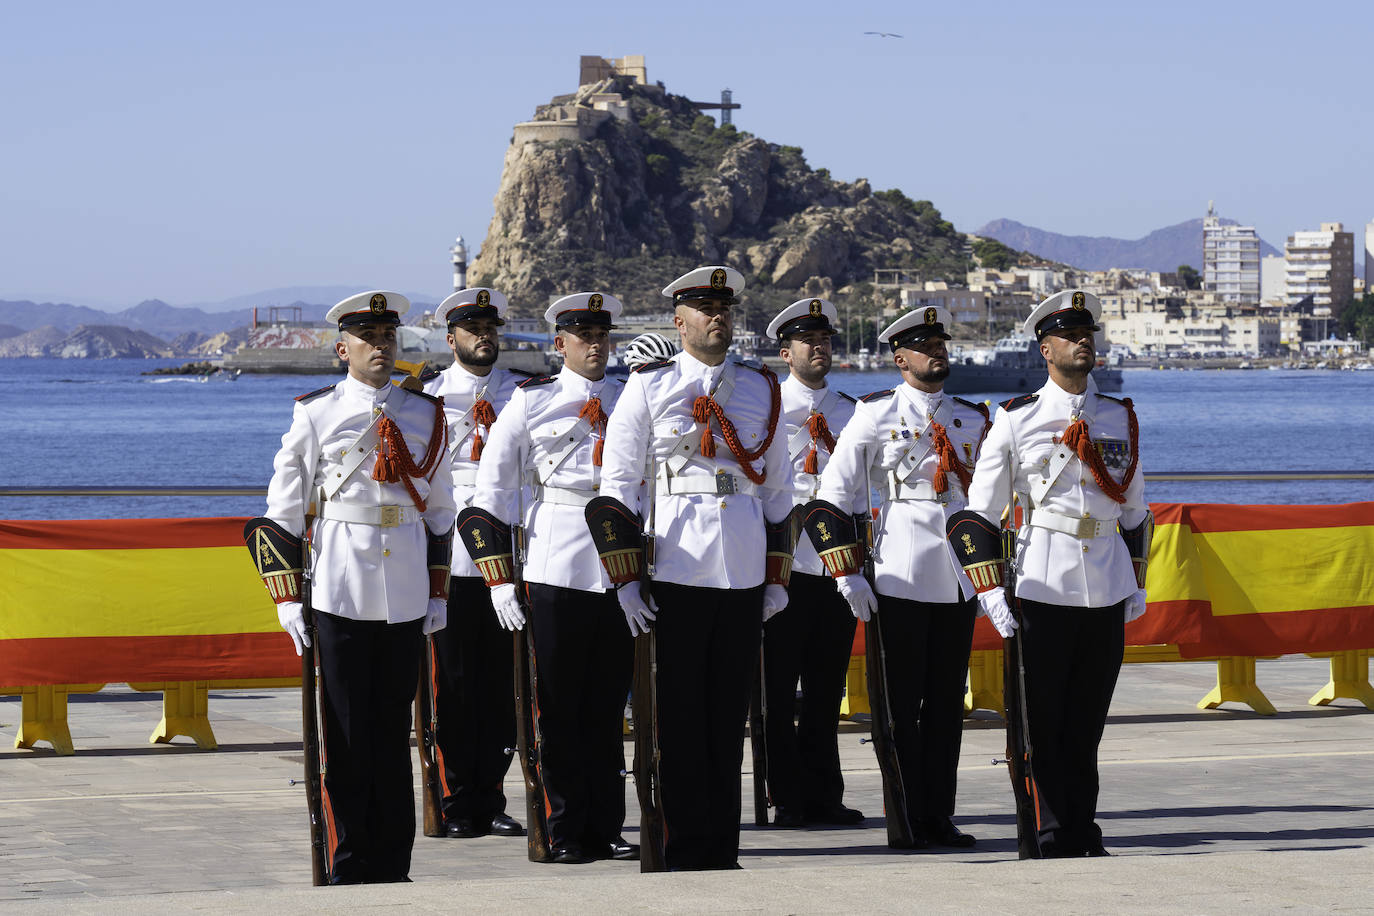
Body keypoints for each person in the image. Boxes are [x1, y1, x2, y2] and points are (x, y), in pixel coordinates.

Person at [588, 265, 795, 870]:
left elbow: (779, 491)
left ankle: (721, 846)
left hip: (742, 571)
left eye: (725, 308)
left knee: (728, 718)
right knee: (676, 718)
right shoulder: (648, 388)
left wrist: (777, 578)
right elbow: (618, 488)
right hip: (674, 568)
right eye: (706, 309)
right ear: (680, 322)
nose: (718, 317)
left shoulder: (761, 388)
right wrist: (625, 580)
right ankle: (680, 845)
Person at [255, 290, 454, 883]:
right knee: (344, 733)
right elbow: (283, 512)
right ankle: (348, 861)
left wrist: (438, 591)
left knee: (394, 732)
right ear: (343, 350)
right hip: (339, 589)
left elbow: (441, 513)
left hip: (405, 590)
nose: (380, 347)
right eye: (367, 338)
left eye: (388, 336)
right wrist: (287, 598)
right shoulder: (315, 413)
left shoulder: (426, 414)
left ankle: (393, 861)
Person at [959, 289, 1150, 858]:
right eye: (1069, 335)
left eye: (1087, 333)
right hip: (1042, 582)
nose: (1082, 342)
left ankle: (1082, 828)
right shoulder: (1016, 419)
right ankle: (1047, 832)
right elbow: (978, 514)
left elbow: (1136, 510)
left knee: (1087, 721)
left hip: (1107, 583)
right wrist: (989, 590)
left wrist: (1138, 580)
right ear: (1046, 349)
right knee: (1041, 721)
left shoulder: (1118, 416)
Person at [458, 291, 638, 864]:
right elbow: (491, 493)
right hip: (555, 562)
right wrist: (498, 580)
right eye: (585, 336)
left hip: (620, 568)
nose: (596, 346)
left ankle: (606, 825)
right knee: (556, 706)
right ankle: (561, 828)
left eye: (602, 335)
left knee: (608, 707)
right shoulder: (531, 402)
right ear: (561, 344)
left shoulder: (631, 398)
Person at [803, 305, 989, 849]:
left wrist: (989, 576)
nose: (937, 353)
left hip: (958, 574)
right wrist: (845, 574)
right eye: (924, 346)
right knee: (900, 706)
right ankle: (904, 817)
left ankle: (939, 815)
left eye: (940, 344)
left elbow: (985, 501)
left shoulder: (972, 417)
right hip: (899, 572)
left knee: (946, 704)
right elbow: (832, 497)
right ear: (900, 359)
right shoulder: (874, 414)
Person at [420, 287, 527, 840]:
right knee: (455, 687)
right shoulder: (427, 398)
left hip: (511, 556)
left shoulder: (525, 394)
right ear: (452, 338)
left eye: (490, 327)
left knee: (505, 686)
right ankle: (457, 800)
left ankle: (493, 794)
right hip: (455, 561)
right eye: (472, 328)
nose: (484, 336)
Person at [758, 297, 864, 829]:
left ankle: (825, 794)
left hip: (837, 567)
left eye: (824, 340)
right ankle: (787, 796)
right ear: (786, 352)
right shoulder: (769, 407)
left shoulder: (852, 412)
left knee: (826, 688)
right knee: (778, 690)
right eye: (807, 341)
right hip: (785, 566)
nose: (818, 348)